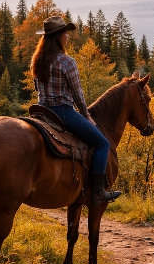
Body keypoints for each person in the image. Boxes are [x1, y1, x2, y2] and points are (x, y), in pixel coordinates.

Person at [31, 15, 120, 204]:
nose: (68, 37)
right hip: (62, 112)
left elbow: (37, 88)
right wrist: (86, 115)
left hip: (41, 111)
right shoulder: (67, 62)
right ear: (58, 36)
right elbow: (78, 94)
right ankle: (98, 192)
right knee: (102, 144)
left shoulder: (37, 60)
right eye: (65, 33)